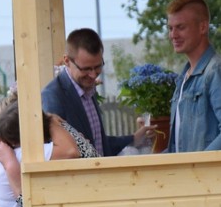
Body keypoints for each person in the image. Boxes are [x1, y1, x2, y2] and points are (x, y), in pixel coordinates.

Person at [41, 28, 151, 156]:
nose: (93, 75)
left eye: (98, 66)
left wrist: (134, 139)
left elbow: (97, 144)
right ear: (67, 61)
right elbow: (59, 152)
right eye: (86, 69)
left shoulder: (86, 89)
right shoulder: (53, 96)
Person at [166, 0, 221, 152]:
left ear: (203, 27)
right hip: (190, 175)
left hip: (211, 176)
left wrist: (198, 165)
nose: (173, 35)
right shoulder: (184, 78)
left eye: (181, 27)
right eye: (170, 28)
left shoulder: (218, 71)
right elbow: (179, 148)